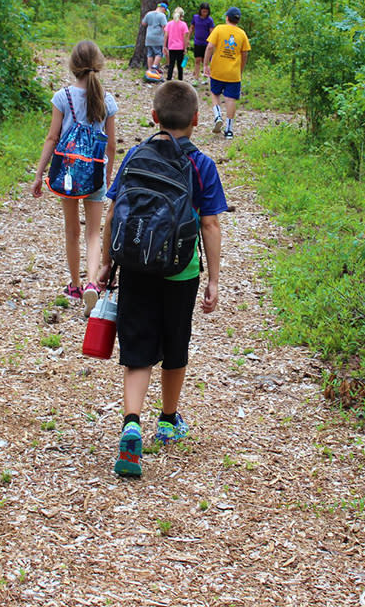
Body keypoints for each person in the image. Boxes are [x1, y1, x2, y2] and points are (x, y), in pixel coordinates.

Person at [98, 81, 227, 478]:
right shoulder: (202, 165)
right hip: (180, 270)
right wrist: (214, 280)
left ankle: (131, 423)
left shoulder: (137, 154)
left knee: (137, 346)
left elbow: (113, 212)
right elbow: (210, 224)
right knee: (175, 341)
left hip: (136, 265)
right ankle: (168, 421)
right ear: (196, 120)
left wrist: (106, 263)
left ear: (153, 117)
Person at [30, 40, 118, 316]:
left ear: (73, 66)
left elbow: (52, 137)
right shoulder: (107, 100)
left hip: (67, 173)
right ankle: (93, 282)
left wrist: (39, 174)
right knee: (94, 233)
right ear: (99, 64)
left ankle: (76, 285)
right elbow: (111, 144)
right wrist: (108, 172)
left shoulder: (62, 97)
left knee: (72, 231)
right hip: (94, 172)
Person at [203, 6, 250, 140]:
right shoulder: (242, 34)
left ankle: (217, 115)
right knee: (230, 99)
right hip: (233, 72)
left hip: (218, 69)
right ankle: (229, 130)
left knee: (215, 93)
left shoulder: (219, 29)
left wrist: (206, 64)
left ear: (227, 18)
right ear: (238, 20)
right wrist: (240, 69)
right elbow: (245, 53)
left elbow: (210, 47)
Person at [163, 7, 191, 81]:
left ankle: (168, 79)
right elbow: (185, 38)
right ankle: (180, 80)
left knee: (171, 64)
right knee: (180, 65)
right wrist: (185, 48)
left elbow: (166, 36)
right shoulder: (183, 25)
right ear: (182, 15)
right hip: (180, 48)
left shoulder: (169, 24)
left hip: (171, 47)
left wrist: (164, 46)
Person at [140, 1, 168, 73]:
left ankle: (150, 69)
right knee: (159, 53)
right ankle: (155, 66)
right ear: (163, 9)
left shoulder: (149, 14)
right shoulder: (162, 16)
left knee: (150, 54)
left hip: (149, 37)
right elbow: (165, 27)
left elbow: (143, 23)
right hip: (158, 38)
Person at [190, 2, 215, 83]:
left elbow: (212, 32)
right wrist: (187, 39)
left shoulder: (210, 20)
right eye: (203, 11)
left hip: (206, 43)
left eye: (206, 11)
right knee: (197, 60)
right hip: (197, 42)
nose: (204, 13)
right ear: (200, 10)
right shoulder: (195, 17)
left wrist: (212, 43)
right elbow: (191, 28)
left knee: (205, 61)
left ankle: (205, 77)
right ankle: (196, 78)